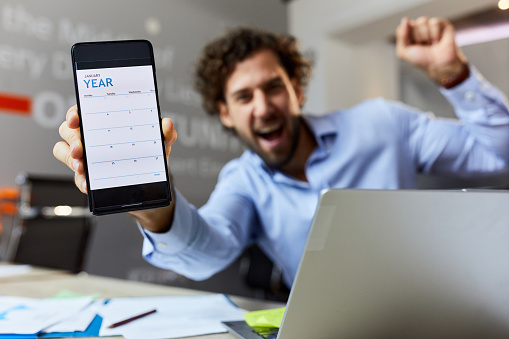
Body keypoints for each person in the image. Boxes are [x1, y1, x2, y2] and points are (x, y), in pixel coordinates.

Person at [54, 17, 509, 288]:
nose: (264, 106)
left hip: (437, 304)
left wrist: (454, 75)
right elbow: (208, 252)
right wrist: (153, 205)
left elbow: (499, 157)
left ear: (298, 90)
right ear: (226, 114)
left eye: (274, 87)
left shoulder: (384, 125)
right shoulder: (244, 181)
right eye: (244, 97)